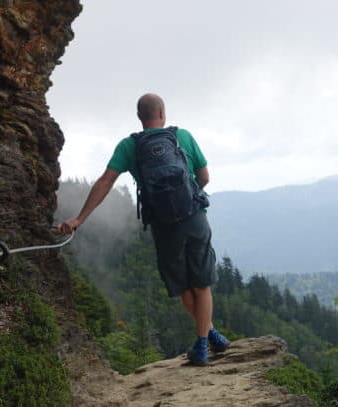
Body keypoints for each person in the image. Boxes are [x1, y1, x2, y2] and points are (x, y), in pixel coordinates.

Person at [58, 93, 229, 366]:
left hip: (164, 225)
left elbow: (105, 182)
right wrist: (188, 196)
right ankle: (205, 339)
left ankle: (207, 337)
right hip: (195, 217)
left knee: (183, 285)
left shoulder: (129, 146)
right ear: (162, 113)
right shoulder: (182, 136)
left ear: (140, 117)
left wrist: (80, 218)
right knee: (202, 282)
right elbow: (205, 176)